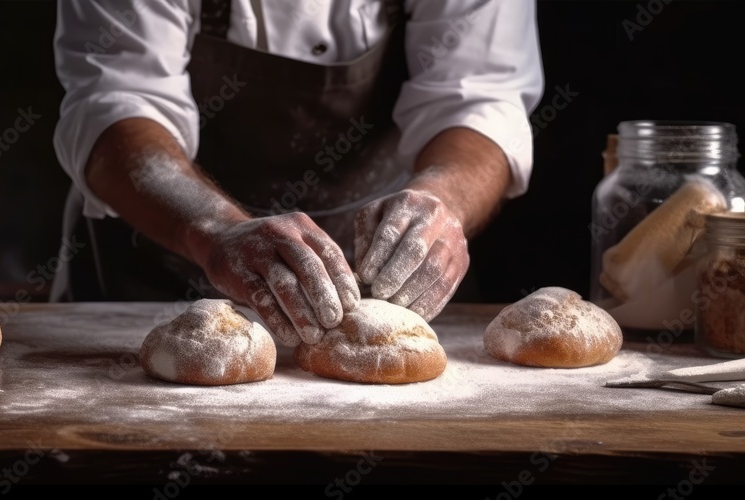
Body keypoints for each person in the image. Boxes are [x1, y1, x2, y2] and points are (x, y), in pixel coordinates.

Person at [50, 0, 543, 347]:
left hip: (388, 293)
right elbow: (115, 101)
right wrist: (216, 229)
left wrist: (447, 199)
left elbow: (481, 96)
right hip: (148, 288)